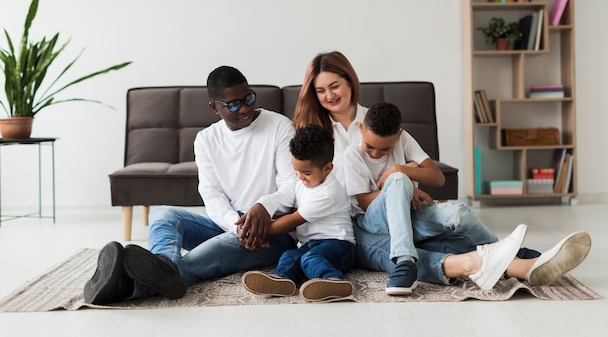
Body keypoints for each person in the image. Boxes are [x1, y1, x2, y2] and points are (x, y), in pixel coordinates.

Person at [292, 50, 591, 290]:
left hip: (401, 213)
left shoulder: (382, 123)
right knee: (420, 241)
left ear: (350, 82)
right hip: (357, 224)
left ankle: (518, 262)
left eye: (334, 86)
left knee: (454, 220)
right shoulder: (316, 135)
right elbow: (319, 188)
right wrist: (401, 183)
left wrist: (403, 179)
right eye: (320, 91)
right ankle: (519, 261)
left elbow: (431, 174)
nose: (329, 95)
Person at [84, 65, 298, 304]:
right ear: (214, 107)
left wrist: (263, 205)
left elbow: (293, 185)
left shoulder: (280, 126)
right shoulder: (206, 139)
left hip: (271, 232)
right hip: (230, 224)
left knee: (195, 262)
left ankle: (129, 287)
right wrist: (235, 226)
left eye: (248, 98)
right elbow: (211, 194)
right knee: (162, 213)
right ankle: (163, 263)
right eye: (234, 105)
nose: (245, 108)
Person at [344, 101, 527, 293]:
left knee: (459, 214)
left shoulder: (404, 139)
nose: (375, 153)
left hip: (409, 214)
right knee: (398, 180)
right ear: (361, 128)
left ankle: (509, 252)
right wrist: (401, 185)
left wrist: (400, 168)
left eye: (385, 150)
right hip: (372, 222)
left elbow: (438, 178)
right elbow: (364, 203)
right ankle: (405, 261)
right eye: (370, 146)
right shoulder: (352, 155)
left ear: (398, 135)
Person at [241, 124, 355, 302]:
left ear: (328, 169)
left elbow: (293, 220)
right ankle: (282, 280)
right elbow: (285, 197)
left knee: (311, 259)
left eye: (306, 172)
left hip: (339, 245)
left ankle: (334, 281)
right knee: (290, 256)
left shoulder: (328, 192)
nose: (300, 177)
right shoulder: (303, 182)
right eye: (296, 171)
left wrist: (258, 230)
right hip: (311, 243)